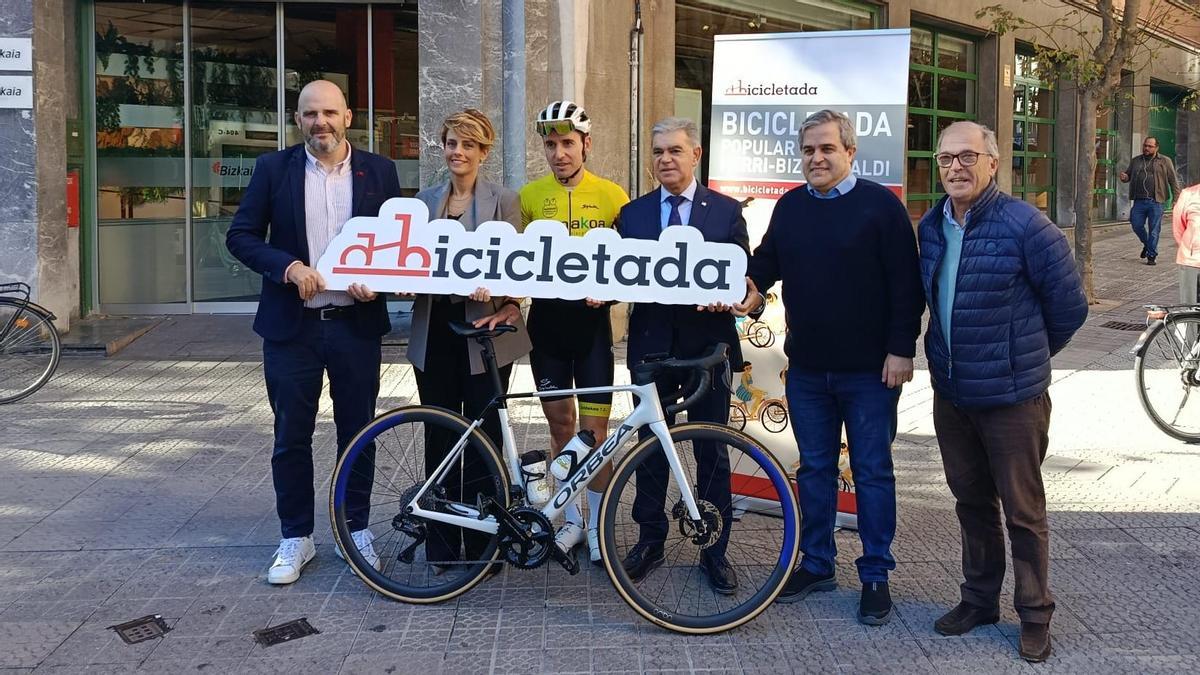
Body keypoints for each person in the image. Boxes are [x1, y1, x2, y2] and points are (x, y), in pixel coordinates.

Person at [734, 109, 924, 624]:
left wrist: (901, 349)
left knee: (872, 472)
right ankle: (817, 563)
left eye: (827, 149)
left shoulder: (882, 208)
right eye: (809, 150)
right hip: (810, 371)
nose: (816, 158)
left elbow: (906, 287)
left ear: (850, 152)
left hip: (870, 373)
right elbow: (766, 263)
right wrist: (748, 288)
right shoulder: (792, 207)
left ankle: (875, 576)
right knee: (814, 468)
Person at [917, 121, 1087, 662]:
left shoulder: (1027, 226)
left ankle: (1035, 613)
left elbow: (1069, 308)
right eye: (946, 159)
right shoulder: (931, 226)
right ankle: (979, 599)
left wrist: (1023, 359)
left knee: (1023, 510)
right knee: (971, 502)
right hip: (953, 394)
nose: (955, 168)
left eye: (968, 157)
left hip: (1013, 398)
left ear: (994, 163)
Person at [225, 80, 401, 584]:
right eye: (309, 114)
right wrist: (288, 267)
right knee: (290, 437)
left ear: (348, 116)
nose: (319, 122)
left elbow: (392, 244)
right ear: (297, 119)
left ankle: (356, 530)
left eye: (328, 112)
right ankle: (296, 537)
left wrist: (380, 281)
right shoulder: (272, 169)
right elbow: (240, 236)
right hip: (292, 329)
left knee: (359, 434)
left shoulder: (379, 171)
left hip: (354, 326)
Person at [618, 116, 747, 595]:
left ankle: (715, 550)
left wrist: (728, 295)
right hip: (651, 349)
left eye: (675, 150)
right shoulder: (632, 214)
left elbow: (740, 273)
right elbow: (616, 275)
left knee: (710, 450)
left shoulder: (727, 212)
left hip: (707, 351)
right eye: (657, 152)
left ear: (696, 155)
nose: (665, 160)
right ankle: (650, 540)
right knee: (650, 448)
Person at [411, 109, 531, 572]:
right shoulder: (424, 200)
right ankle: (441, 545)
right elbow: (413, 262)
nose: (457, 152)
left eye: (467, 145)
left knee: (483, 437)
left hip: (485, 333)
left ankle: (485, 545)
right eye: (451, 143)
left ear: (484, 151)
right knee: (440, 433)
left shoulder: (504, 200)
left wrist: (498, 290)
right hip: (436, 330)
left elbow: (518, 266)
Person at [519, 100, 629, 565]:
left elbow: (631, 266)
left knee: (595, 433)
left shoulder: (612, 195)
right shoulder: (529, 197)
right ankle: (571, 522)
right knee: (560, 427)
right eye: (550, 144)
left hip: (591, 331)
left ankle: (600, 525)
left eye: (567, 143)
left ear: (586, 144)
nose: (559, 152)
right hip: (545, 327)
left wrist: (611, 293)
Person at [1120, 136, 1182, 265]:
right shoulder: (1136, 161)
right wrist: (1124, 177)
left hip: (1156, 201)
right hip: (1139, 201)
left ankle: (1151, 255)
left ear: (1156, 148)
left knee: (1154, 229)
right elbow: (1128, 176)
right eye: (1145, 145)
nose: (1146, 148)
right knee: (1136, 224)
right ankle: (1147, 244)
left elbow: (1173, 181)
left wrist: (1177, 199)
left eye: (1150, 146)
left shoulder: (1165, 161)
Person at [1173, 182, 1200, 304]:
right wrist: (1190, 248)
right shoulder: (1188, 195)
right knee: (1190, 310)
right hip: (1191, 261)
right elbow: (1178, 229)